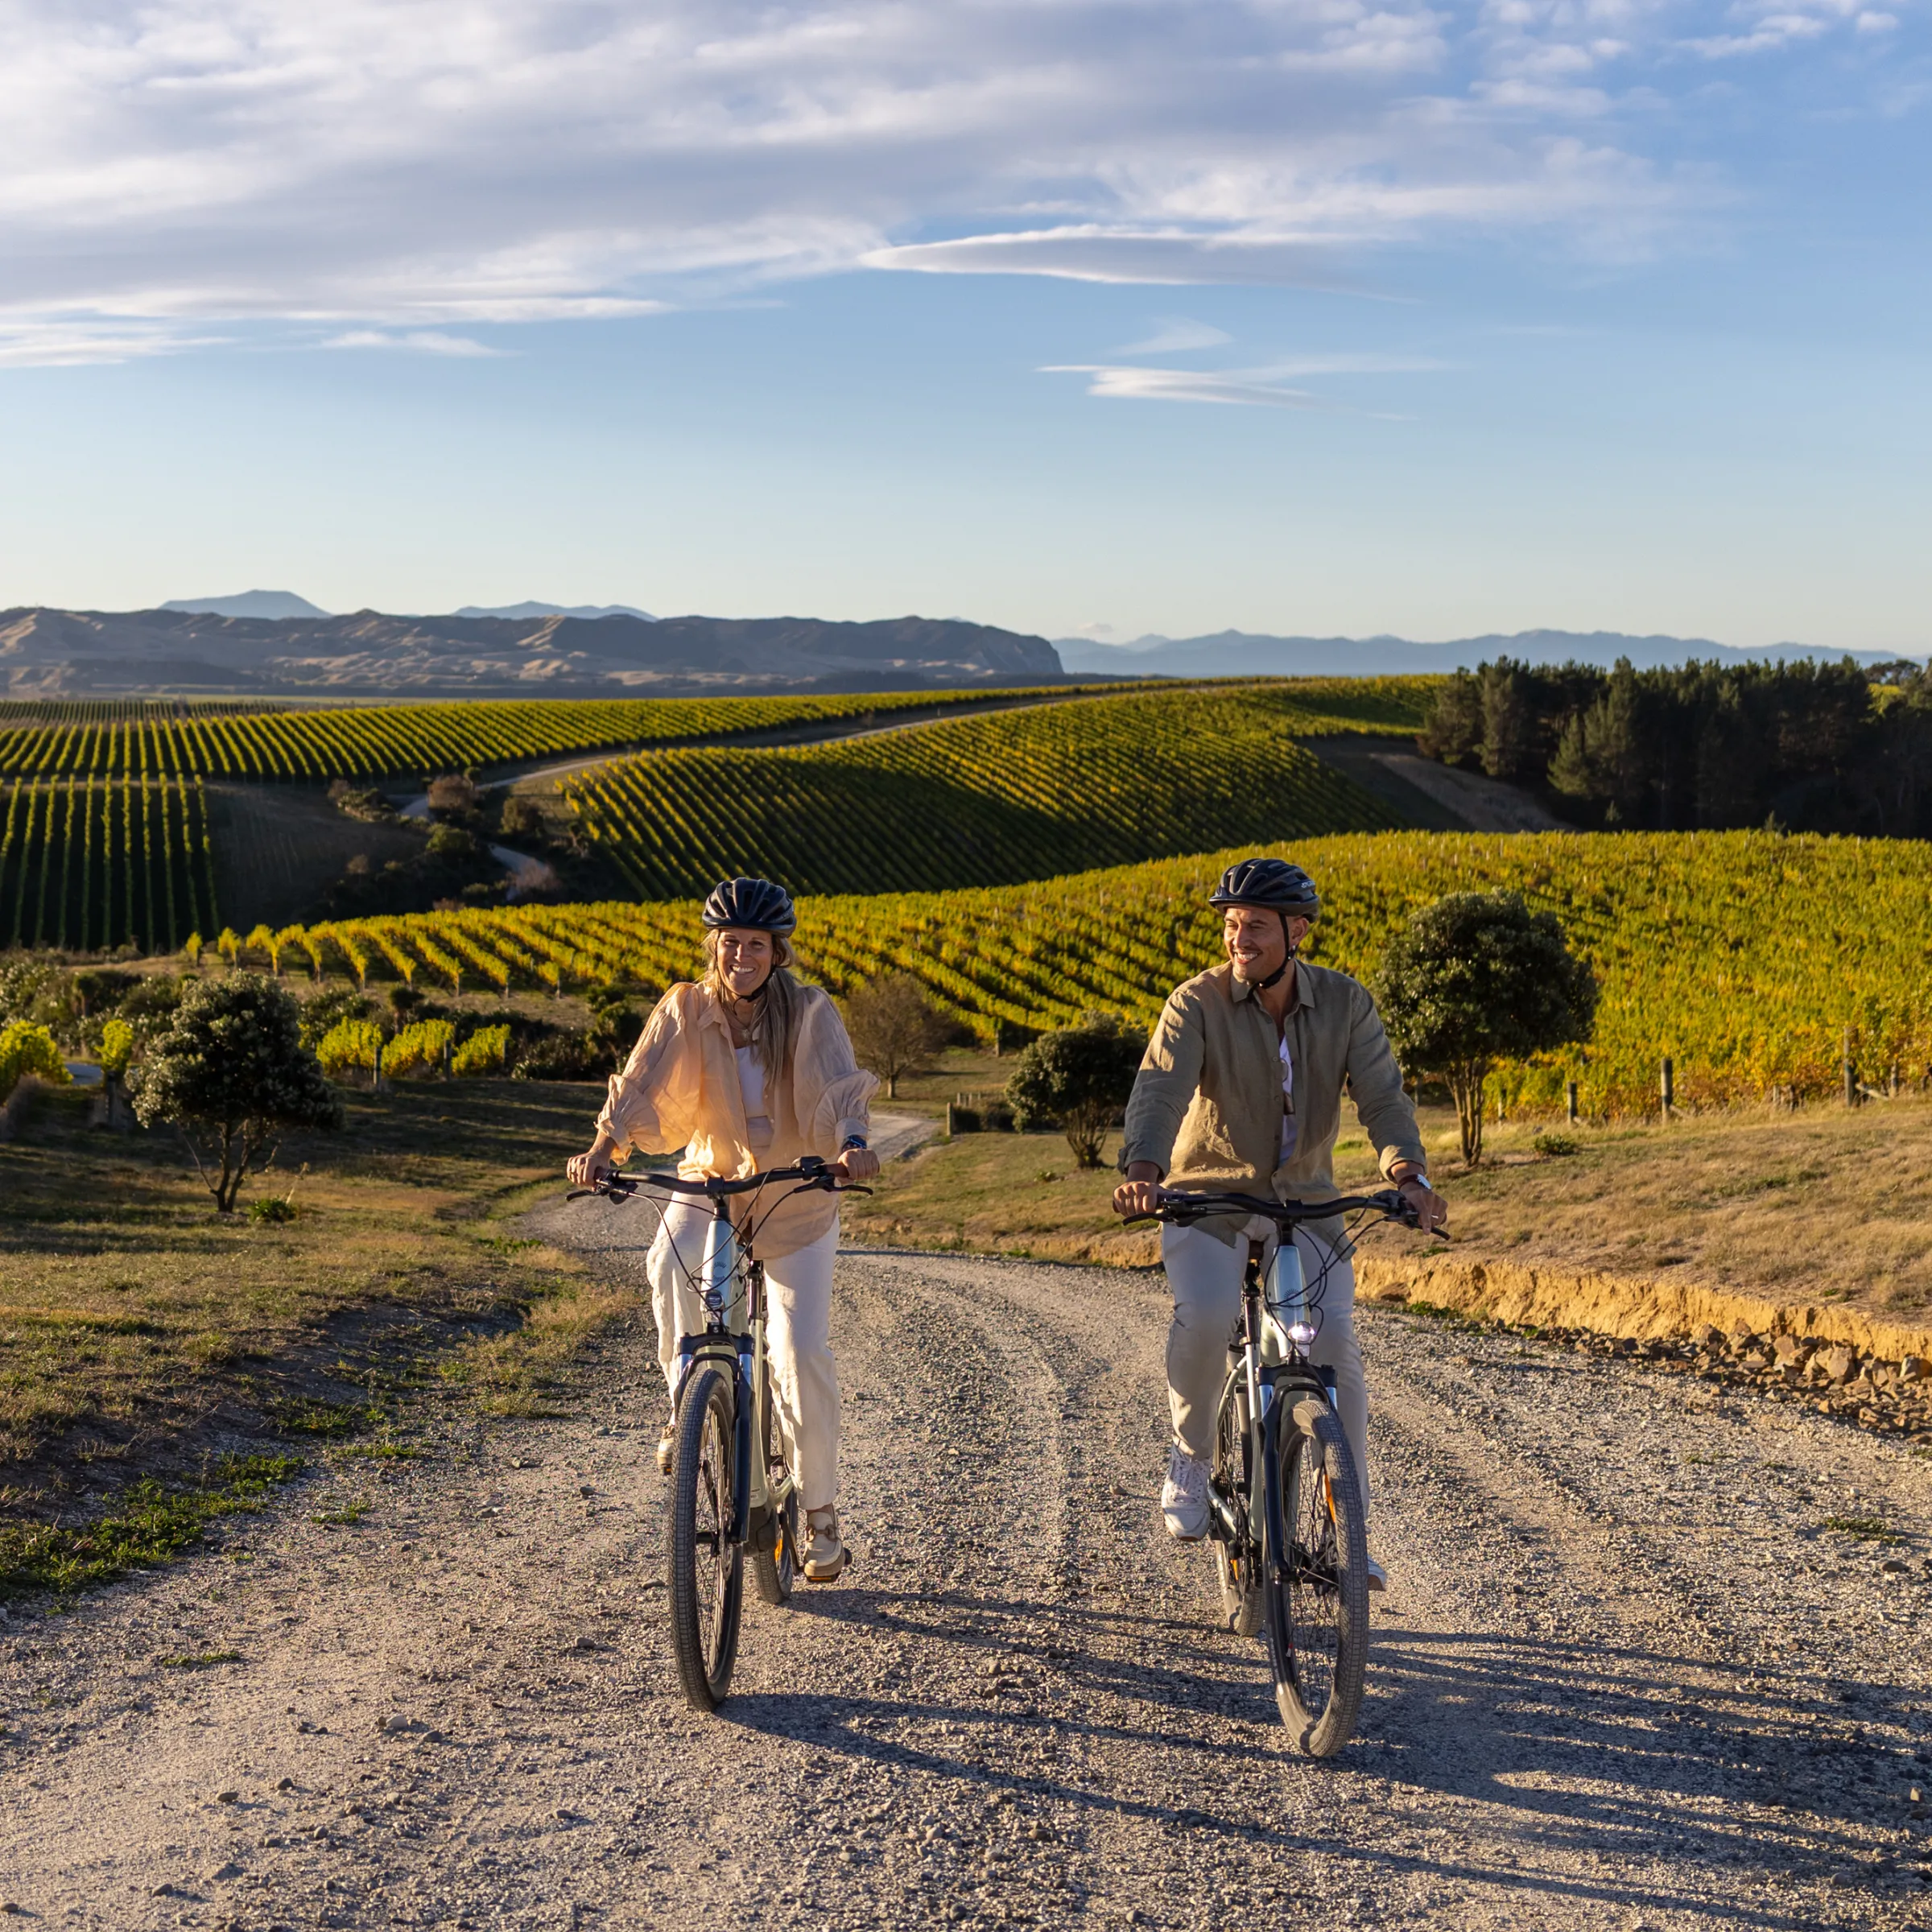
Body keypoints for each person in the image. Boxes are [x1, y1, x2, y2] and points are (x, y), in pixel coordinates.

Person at [1112, 856, 1447, 1589]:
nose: (1239, 939)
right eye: (1232, 925)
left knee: (1334, 1351)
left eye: (1256, 926)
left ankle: (1343, 1523)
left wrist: (1408, 1175)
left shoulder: (1346, 1004)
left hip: (1307, 1205)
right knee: (1202, 1317)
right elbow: (1160, 1092)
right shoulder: (1194, 1003)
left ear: (1297, 932)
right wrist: (1144, 1172)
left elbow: (1384, 1098)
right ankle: (1193, 1457)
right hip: (1209, 1200)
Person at [567, 876, 880, 1583]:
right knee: (664, 1262)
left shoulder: (810, 1012)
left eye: (757, 945)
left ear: (778, 953)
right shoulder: (686, 1006)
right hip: (711, 1179)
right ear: (715, 946)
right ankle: (687, 1406)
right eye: (731, 942)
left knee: (798, 1352)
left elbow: (840, 1088)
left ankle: (821, 1516)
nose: (742, 955)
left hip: (795, 1191)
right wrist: (602, 1153)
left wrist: (852, 1146)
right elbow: (640, 1080)